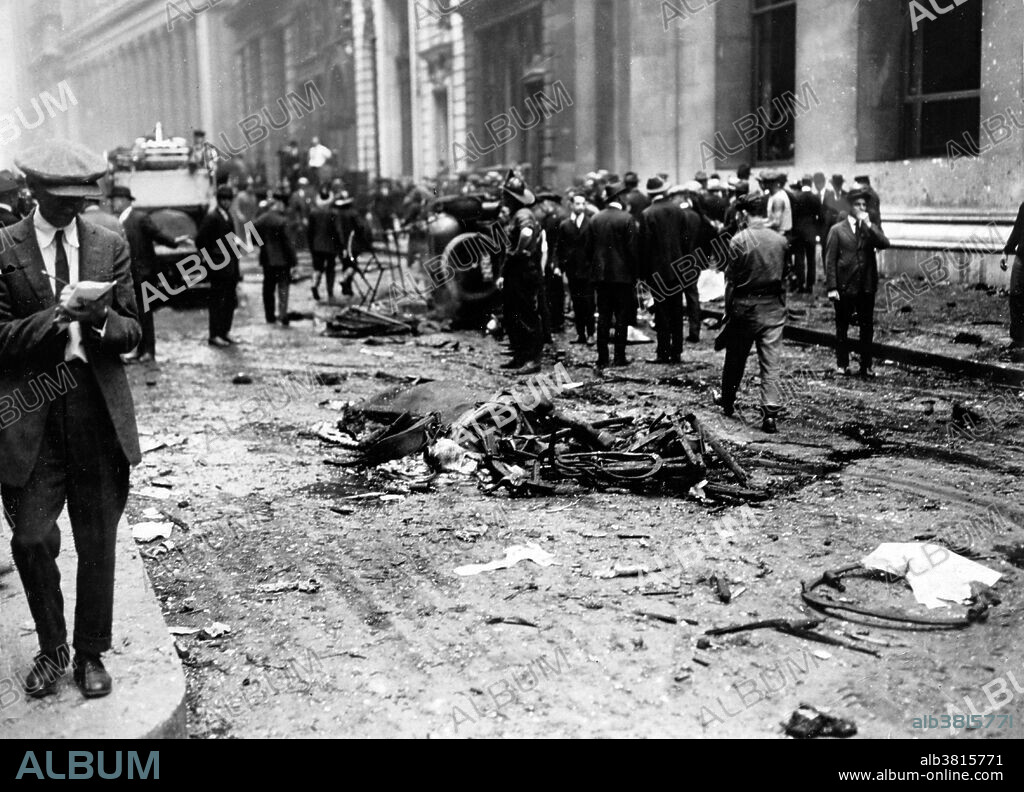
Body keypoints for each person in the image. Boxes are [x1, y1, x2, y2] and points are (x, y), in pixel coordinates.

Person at [1, 140, 143, 699]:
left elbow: (134, 332)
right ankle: (51, 646)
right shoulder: (4, 249)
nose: (72, 211)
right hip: (30, 417)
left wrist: (104, 316)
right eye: (61, 201)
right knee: (32, 539)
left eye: (81, 200)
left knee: (97, 541)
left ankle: (89, 655)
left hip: (96, 413)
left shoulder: (108, 243)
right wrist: (57, 316)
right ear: (31, 190)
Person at [717, 194, 788, 434]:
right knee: (771, 361)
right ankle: (769, 414)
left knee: (736, 357)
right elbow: (785, 274)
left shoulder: (739, 240)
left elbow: (730, 281)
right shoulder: (780, 240)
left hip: (744, 307)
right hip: (773, 308)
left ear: (744, 213)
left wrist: (727, 312)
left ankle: (727, 401)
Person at [112, 185, 187, 364]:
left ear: (123, 200)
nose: (112, 203)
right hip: (129, 275)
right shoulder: (120, 220)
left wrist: (174, 242)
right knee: (135, 314)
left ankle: (148, 352)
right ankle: (140, 350)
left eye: (114, 200)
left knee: (144, 313)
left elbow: (157, 234)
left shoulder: (139, 218)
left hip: (143, 274)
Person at [825, 188, 891, 379]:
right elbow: (830, 260)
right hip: (845, 285)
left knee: (866, 327)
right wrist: (832, 287)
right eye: (858, 205)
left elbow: (885, 243)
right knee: (842, 327)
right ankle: (842, 364)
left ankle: (866, 366)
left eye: (864, 205)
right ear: (850, 207)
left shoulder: (869, 229)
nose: (862, 208)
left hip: (866, 285)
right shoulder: (837, 230)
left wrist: (869, 225)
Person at [585, 181, 638, 368]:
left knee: (604, 316)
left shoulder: (595, 219)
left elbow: (588, 249)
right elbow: (632, 251)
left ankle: (602, 358)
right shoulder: (627, 219)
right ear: (620, 197)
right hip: (622, 276)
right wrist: (634, 273)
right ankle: (619, 357)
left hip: (601, 276)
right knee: (622, 317)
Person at [496, 176, 544, 375]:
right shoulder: (517, 213)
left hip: (524, 270)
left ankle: (532, 359)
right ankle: (520, 356)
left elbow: (526, 233)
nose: (504, 199)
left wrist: (518, 250)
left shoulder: (523, 213)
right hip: (516, 271)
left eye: (506, 195)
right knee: (512, 314)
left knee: (526, 314)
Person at [640, 176, 691, 364]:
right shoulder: (679, 211)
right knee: (677, 310)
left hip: (657, 271)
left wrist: (644, 273)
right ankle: (677, 351)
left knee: (661, 312)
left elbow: (644, 247)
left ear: (650, 194)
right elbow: (686, 241)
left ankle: (663, 351)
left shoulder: (647, 214)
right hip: (678, 268)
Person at [196, 185, 242, 347]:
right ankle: (214, 334)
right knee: (217, 301)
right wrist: (210, 259)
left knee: (229, 300)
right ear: (219, 200)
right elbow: (200, 240)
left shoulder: (226, 216)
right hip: (219, 266)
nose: (226, 202)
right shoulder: (212, 217)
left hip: (230, 266)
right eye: (223, 199)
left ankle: (224, 332)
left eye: (229, 199)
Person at [255, 194, 298, 326]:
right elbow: (288, 243)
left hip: (267, 259)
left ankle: (270, 316)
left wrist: (263, 246)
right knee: (283, 287)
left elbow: (253, 237)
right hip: (283, 260)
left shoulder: (260, 220)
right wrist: (294, 261)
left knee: (268, 289)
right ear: (279, 204)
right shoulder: (282, 221)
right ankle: (282, 314)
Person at [557, 193, 594, 345]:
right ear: (571, 205)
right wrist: (560, 266)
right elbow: (560, 247)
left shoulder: (591, 223)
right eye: (577, 204)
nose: (580, 207)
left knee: (589, 303)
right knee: (577, 303)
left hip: (588, 269)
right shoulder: (565, 225)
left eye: (583, 203)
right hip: (572, 270)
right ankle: (580, 334)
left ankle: (591, 333)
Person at [790, 175, 823, 294]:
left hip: (798, 232)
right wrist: (818, 231)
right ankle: (810, 285)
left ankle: (800, 284)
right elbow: (820, 216)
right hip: (811, 232)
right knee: (811, 259)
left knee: (799, 259)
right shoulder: (815, 198)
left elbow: (793, 216)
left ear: (802, 184)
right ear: (811, 184)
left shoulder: (796, 197)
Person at [308, 187, 341, 303]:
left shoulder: (313, 212)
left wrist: (311, 246)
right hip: (331, 246)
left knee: (317, 268)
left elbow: (310, 231)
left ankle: (314, 285)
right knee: (330, 269)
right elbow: (337, 231)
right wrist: (340, 245)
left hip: (317, 245)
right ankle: (330, 292)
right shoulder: (333, 213)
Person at [1000, 200, 1024, 359]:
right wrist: (1006, 250)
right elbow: (1017, 229)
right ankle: (1018, 340)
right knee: (1015, 295)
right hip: (1022, 257)